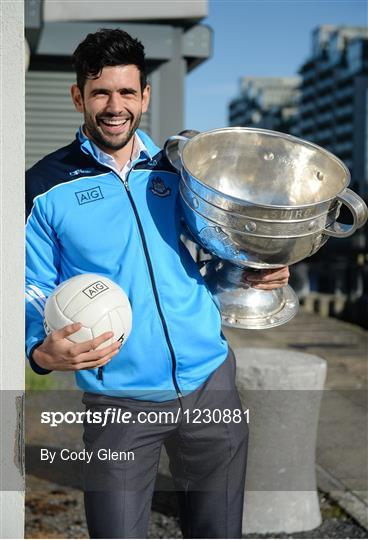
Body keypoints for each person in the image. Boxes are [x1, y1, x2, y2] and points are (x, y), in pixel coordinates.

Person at [25, 28, 290, 539]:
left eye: (127, 92)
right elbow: (32, 284)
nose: (114, 106)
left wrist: (258, 269)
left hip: (210, 379)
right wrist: (39, 347)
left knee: (218, 531)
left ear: (144, 97)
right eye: (100, 92)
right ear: (78, 96)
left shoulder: (180, 169)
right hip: (119, 397)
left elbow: (218, 254)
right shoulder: (45, 185)